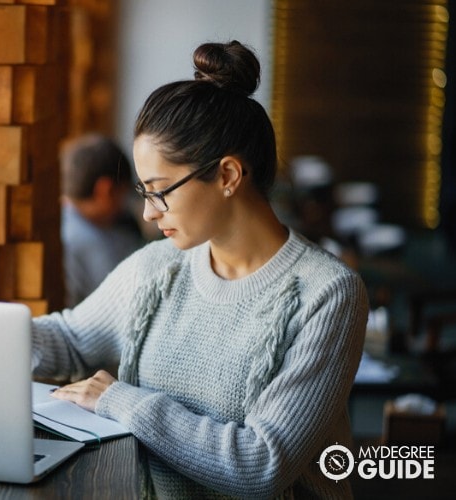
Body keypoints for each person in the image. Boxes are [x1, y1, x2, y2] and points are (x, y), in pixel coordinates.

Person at [31, 41, 368, 498]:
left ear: (228, 175)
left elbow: (260, 464)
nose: (149, 213)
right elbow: (71, 339)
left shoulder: (328, 294)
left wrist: (120, 400)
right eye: (142, 190)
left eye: (160, 190)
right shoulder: (160, 265)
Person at [60, 133, 145, 307]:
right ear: (104, 191)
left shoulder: (65, 221)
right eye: (124, 194)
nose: (124, 205)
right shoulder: (86, 241)